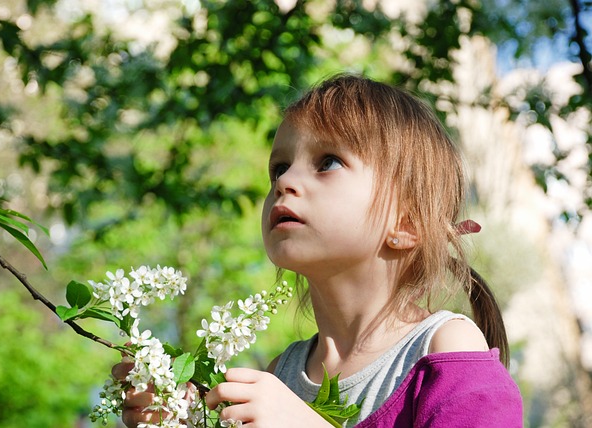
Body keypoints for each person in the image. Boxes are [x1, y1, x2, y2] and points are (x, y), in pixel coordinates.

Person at [114, 74, 523, 427]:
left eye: (327, 162)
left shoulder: (444, 350)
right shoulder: (282, 374)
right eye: (279, 167)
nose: (285, 181)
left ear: (407, 224)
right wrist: (185, 418)